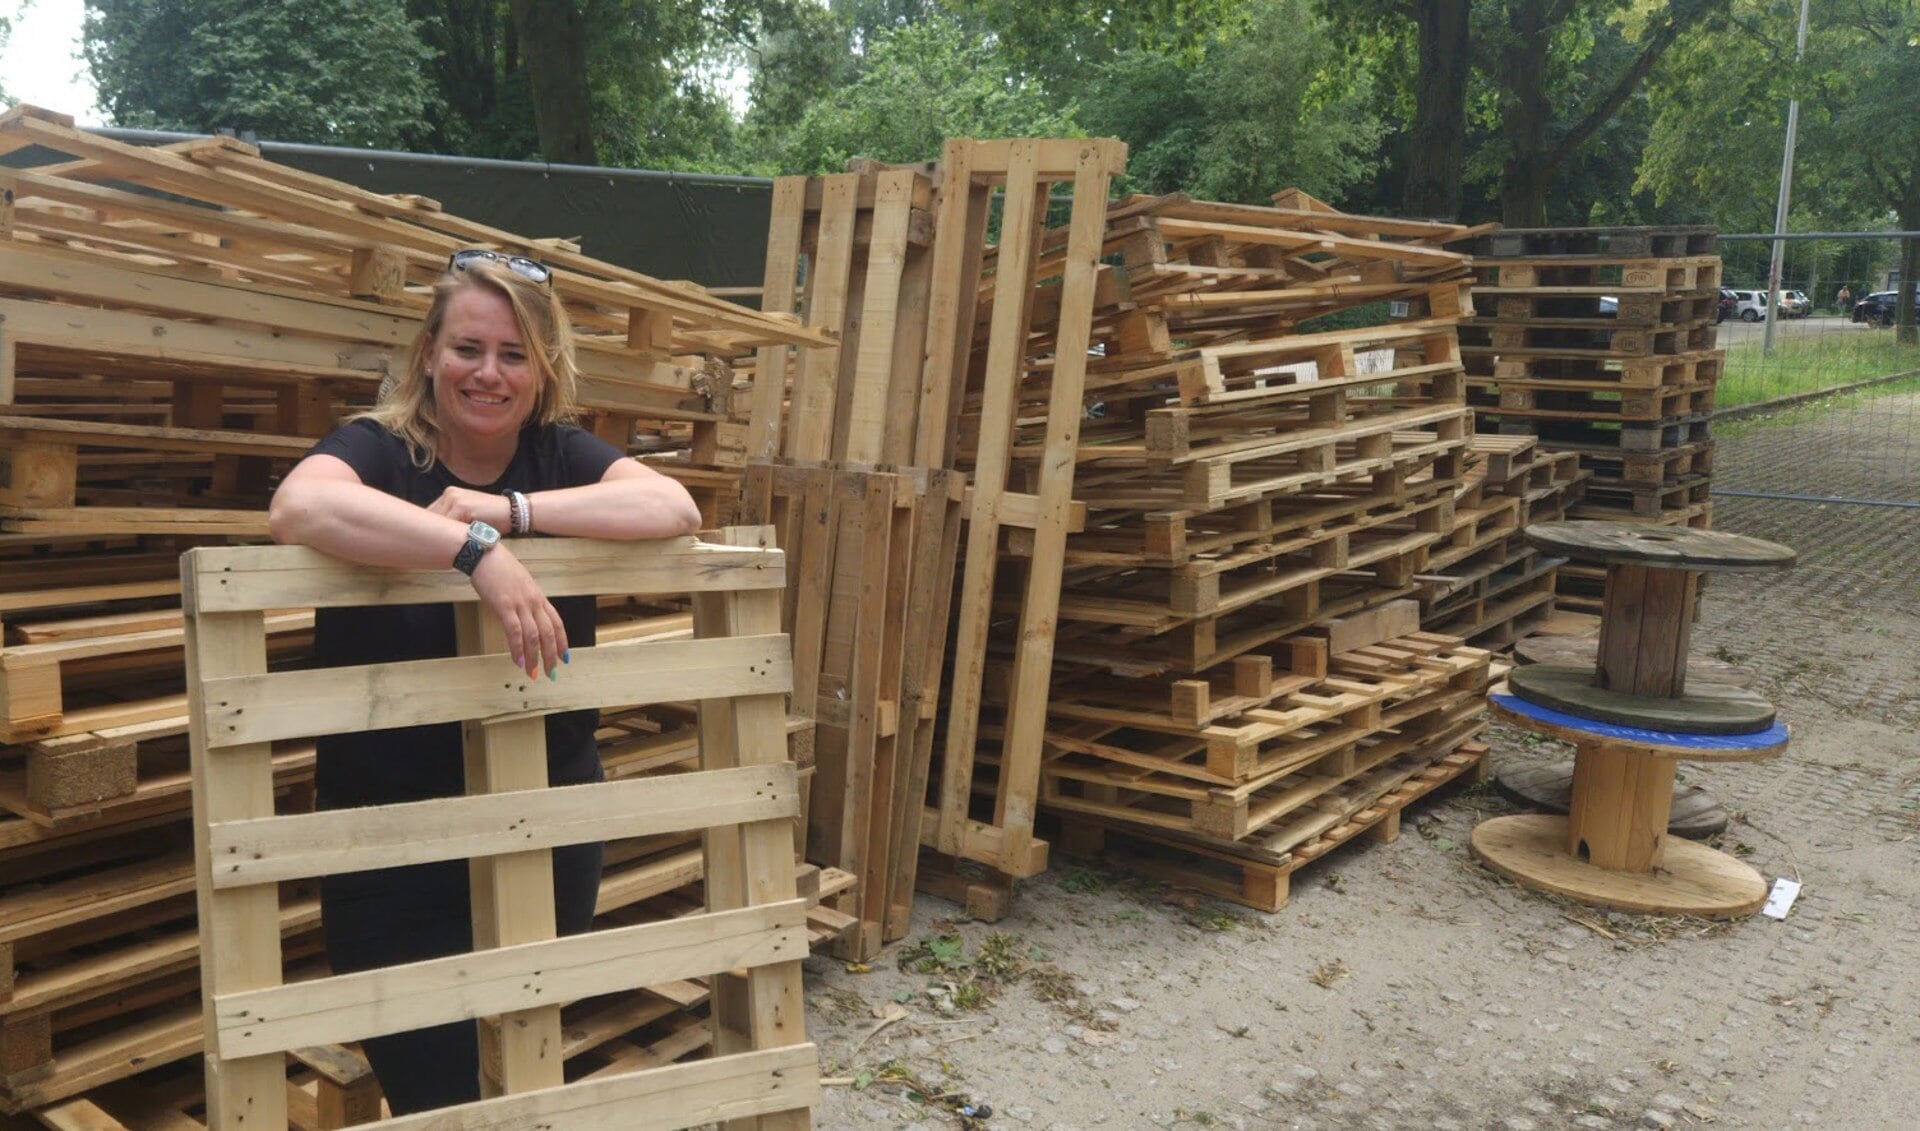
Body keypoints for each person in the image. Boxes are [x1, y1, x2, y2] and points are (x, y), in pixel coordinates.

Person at [267, 250, 702, 1114]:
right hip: (393, 830)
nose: (488, 373)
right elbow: (298, 507)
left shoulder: (557, 455)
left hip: (545, 814)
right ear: (429, 352)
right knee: (433, 1081)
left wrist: (508, 512)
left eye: (513, 354)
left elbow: (676, 509)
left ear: (543, 371)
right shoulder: (380, 449)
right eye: (469, 347)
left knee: (522, 1047)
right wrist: (475, 555)